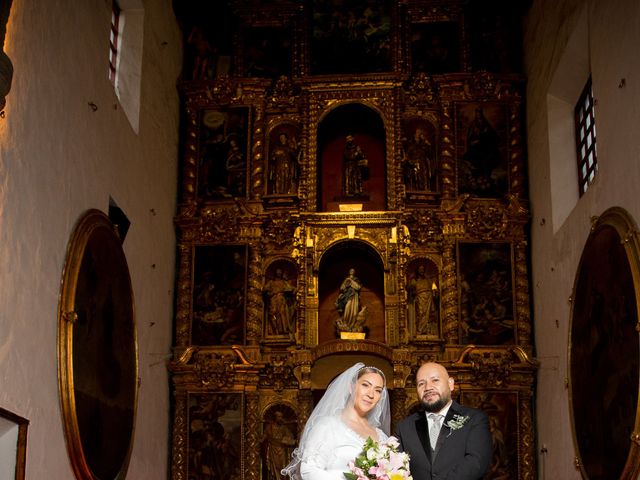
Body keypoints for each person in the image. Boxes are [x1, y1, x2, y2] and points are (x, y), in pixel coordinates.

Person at [281, 363, 390, 480]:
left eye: (378, 390)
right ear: (351, 387)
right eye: (365, 385)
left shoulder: (381, 436)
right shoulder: (327, 426)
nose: (371, 394)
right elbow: (309, 470)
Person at [395, 362, 492, 480]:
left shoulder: (475, 419)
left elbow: (477, 462)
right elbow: (397, 469)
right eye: (421, 384)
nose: (428, 387)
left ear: (450, 384)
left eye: (435, 380)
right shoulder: (404, 427)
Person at [263, 411, 297, 480]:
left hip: (282, 449)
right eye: (278, 417)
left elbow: (290, 437)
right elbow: (264, 436)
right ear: (275, 418)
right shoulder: (269, 427)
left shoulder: (284, 427)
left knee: (282, 466)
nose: (280, 418)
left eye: (281, 417)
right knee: (274, 466)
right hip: (272, 449)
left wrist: (288, 440)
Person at [263, 268, 296, 336]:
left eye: (280, 272)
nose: (278, 273)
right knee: (273, 314)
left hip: (281, 300)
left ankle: (283, 329)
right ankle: (275, 330)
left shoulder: (284, 282)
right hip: (273, 300)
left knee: (282, 314)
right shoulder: (271, 282)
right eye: (277, 272)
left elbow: (292, 288)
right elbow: (264, 289)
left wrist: (293, 291)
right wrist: (269, 292)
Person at [408, 265, 437, 335]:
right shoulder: (414, 280)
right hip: (420, 298)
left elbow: (434, 287)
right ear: (417, 270)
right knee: (421, 313)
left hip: (429, 298)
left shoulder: (428, 279)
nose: (422, 271)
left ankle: (427, 330)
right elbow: (409, 288)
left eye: (423, 269)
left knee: (428, 314)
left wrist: (434, 292)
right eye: (420, 269)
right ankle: (420, 330)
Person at [335, 268, 365, 332]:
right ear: (349, 272)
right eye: (351, 271)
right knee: (347, 310)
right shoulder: (346, 279)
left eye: (353, 271)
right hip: (347, 297)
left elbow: (358, 287)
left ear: (354, 272)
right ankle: (346, 325)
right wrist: (346, 282)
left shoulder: (356, 280)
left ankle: (353, 326)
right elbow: (342, 288)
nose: (352, 272)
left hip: (354, 297)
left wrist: (351, 281)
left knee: (354, 313)